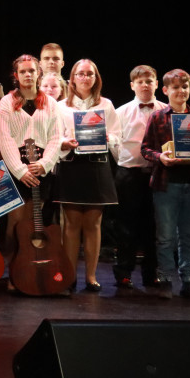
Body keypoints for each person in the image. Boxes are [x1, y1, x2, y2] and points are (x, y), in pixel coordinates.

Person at [141, 68, 190, 301]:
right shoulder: (157, 117)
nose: (181, 91)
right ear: (165, 90)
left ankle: (188, 282)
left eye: (185, 87)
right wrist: (160, 158)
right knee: (165, 237)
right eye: (175, 87)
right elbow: (145, 149)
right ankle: (165, 280)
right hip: (166, 185)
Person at [0, 54, 63, 288]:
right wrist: (19, 170)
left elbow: (56, 137)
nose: (28, 75)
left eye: (32, 71)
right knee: (15, 224)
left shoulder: (51, 103)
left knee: (35, 223)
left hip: (41, 168)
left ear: (38, 73)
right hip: (17, 168)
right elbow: (5, 139)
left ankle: (33, 268)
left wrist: (44, 164)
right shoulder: (7, 102)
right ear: (16, 75)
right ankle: (14, 272)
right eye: (23, 71)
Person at [57, 59, 120, 292]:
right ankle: (70, 275)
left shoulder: (106, 105)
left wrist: (108, 139)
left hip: (97, 166)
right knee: (71, 224)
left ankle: (91, 277)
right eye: (81, 74)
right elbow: (56, 137)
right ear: (72, 78)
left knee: (93, 224)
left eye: (90, 74)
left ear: (96, 78)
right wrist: (66, 142)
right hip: (72, 165)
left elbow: (117, 137)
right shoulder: (61, 106)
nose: (85, 78)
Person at [113, 65, 166, 291]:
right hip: (130, 174)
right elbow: (114, 143)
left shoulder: (167, 110)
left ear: (156, 84)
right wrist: (126, 161)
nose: (145, 85)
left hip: (159, 173)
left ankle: (151, 274)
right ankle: (124, 272)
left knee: (154, 226)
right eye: (140, 81)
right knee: (126, 225)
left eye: (149, 80)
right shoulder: (121, 111)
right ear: (132, 85)